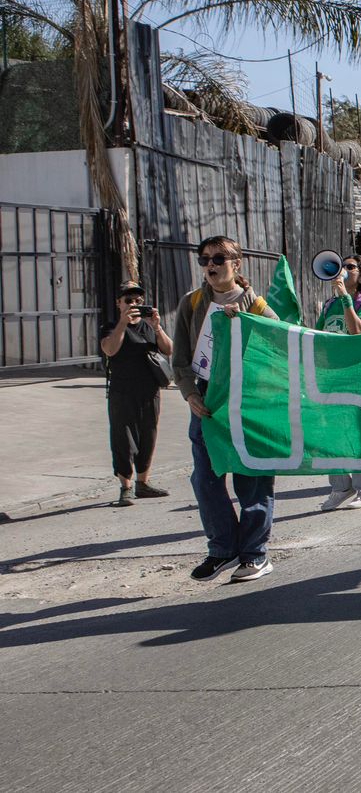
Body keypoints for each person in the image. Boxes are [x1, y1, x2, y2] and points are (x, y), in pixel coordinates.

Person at [170, 235, 279, 583]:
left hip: (247, 399)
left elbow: (282, 340)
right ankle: (222, 549)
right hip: (206, 400)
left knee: (252, 476)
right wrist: (189, 393)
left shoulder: (255, 303)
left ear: (237, 263)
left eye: (218, 258)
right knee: (205, 476)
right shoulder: (193, 302)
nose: (211, 265)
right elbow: (180, 358)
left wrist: (247, 322)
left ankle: (254, 554)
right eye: (205, 260)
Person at [318, 254, 361, 511]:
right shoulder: (329, 306)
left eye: (350, 267)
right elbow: (318, 335)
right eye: (341, 266)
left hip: (360, 376)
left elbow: (357, 329)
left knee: (360, 432)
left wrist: (345, 297)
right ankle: (340, 486)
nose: (343, 270)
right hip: (332, 376)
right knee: (330, 432)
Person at [99, 280, 173, 507]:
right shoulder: (111, 328)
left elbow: (169, 349)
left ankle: (143, 483)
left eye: (137, 300)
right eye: (128, 300)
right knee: (123, 439)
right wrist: (123, 323)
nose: (134, 303)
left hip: (149, 391)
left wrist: (157, 326)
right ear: (118, 303)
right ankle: (126, 487)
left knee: (148, 437)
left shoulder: (150, 327)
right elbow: (110, 349)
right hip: (122, 392)